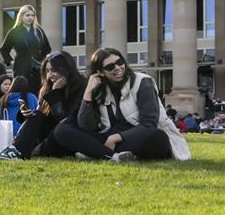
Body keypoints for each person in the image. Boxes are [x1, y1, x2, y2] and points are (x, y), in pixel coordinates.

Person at [52, 47, 187, 161]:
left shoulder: (143, 82)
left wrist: (116, 138)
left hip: (140, 135)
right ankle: (113, 157)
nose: (118, 68)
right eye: (110, 67)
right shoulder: (99, 88)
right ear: (100, 72)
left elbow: (149, 123)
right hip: (111, 137)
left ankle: (96, 153)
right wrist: (88, 93)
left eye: (120, 62)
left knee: (158, 137)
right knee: (62, 130)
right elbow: (86, 126)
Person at [0, 51, 87, 160]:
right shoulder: (47, 88)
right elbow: (43, 117)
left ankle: (25, 151)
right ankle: (16, 151)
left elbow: (65, 120)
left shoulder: (81, 86)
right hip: (48, 137)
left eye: (54, 70)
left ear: (66, 69)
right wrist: (25, 114)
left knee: (53, 125)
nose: (50, 75)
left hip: (65, 137)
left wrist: (55, 93)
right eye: (47, 71)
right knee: (36, 114)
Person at [0, 5, 51, 85]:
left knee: (37, 93)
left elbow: (47, 49)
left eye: (32, 15)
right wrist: (11, 62)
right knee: (21, 92)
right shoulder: (14, 32)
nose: (30, 18)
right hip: (20, 68)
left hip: (37, 69)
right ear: (21, 16)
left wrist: (42, 62)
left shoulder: (39, 31)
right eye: (27, 15)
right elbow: (3, 49)